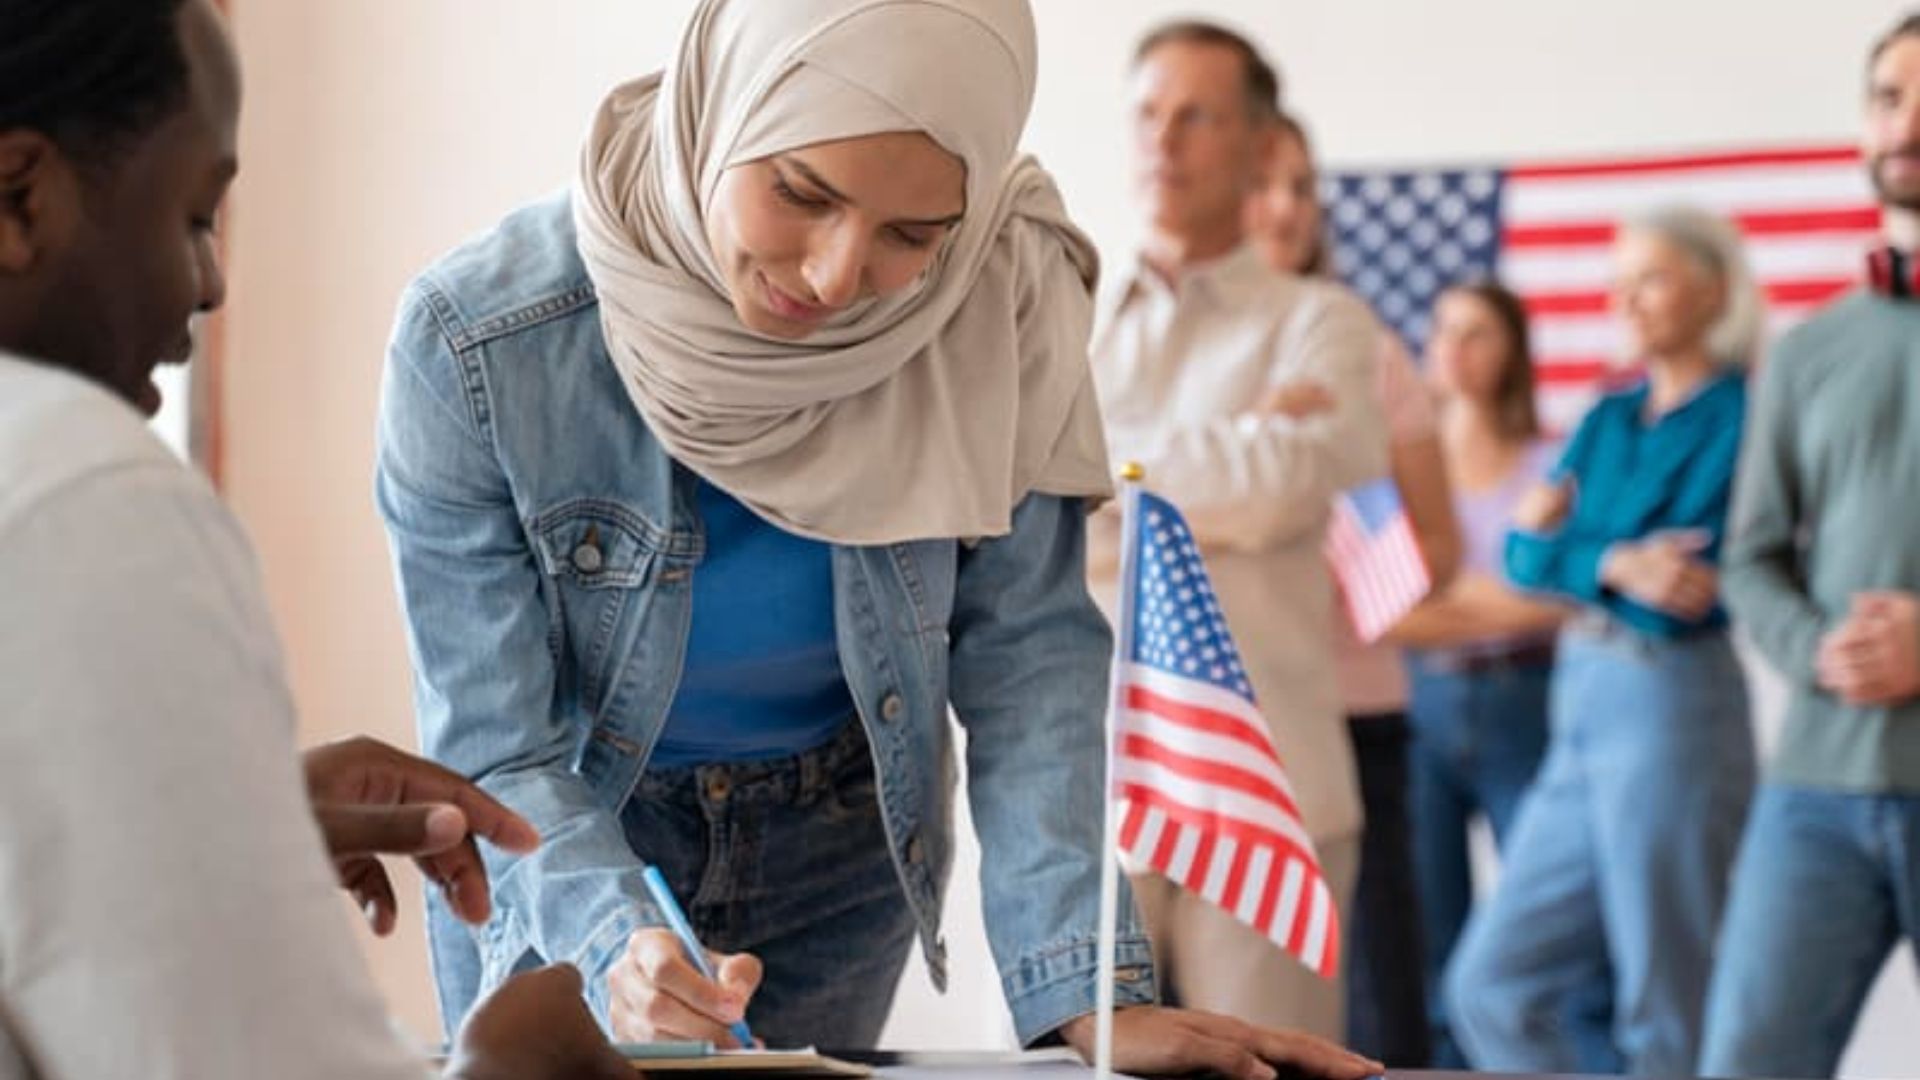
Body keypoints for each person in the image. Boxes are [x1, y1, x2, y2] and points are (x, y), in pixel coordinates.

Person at [375, 2, 1381, 1076]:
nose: (835, 276)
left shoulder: (1000, 292)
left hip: (838, 846)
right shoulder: (476, 340)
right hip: (570, 836)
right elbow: (492, 742)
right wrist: (615, 933)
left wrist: (1081, 985)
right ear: (724, 107)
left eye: (914, 234)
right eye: (800, 193)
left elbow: (1029, 653)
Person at [0, 2, 631, 1078]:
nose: (212, 282)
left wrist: (212, 812)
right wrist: (517, 1068)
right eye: (194, 216)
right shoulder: (78, 487)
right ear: (19, 197)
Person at [1088, 22, 1389, 1042]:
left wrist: (1099, 472)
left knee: (1270, 1067)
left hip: (1270, 791)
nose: (1163, 140)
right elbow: (1005, 503)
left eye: (1197, 116)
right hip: (1089, 788)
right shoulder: (1058, 313)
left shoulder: (1324, 322)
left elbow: (1288, 488)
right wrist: (1234, 444)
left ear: (1263, 147)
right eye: (1148, 114)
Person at [1444, 207, 1762, 1076]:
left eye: (1650, 277)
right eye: (1619, 279)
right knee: (1491, 984)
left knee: (1667, 1003)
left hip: (1671, 706)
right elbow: (1519, 553)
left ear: (1713, 290)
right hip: (1580, 703)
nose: (1626, 297)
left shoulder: (1743, 414)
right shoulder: (1609, 416)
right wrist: (1617, 560)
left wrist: (1574, 551)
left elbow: (1679, 594)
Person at [1699, 15, 1920, 1078]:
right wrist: (1818, 648)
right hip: (1817, 791)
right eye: (1889, 96)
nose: (1907, 120)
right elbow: (1750, 559)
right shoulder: (1810, 349)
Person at [1241, 108, 1462, 1068]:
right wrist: (1253, 453)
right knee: (1207, 1012)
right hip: (1211, 725)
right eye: (1263, 181)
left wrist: (1334, 480)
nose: (1286, 207)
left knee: (1377, 1003)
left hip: (1353, 717)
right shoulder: (1154, 342)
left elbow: (1441, 546)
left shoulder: (1369, 350)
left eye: (1302, 185)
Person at [1386, 282, 1573, 1067]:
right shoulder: (1402, 469)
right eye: (1445, 332)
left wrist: (1449, 598)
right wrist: (1509, 599)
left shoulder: (1553, 462)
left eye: (1479, 334)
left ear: (1513, 352)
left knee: (1545, 930)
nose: (1457, 351)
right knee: (1430, 936)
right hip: (1419, 705)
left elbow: (1569, 599)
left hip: (1524, 703)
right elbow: (1386, 612)